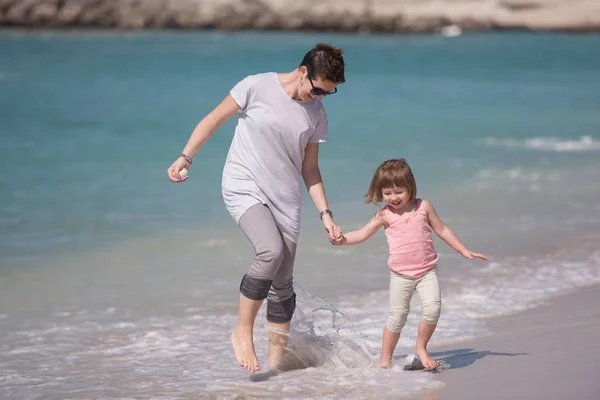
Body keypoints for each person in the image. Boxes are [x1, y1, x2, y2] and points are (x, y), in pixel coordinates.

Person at [167, 43, 346, 373]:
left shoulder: (316, 114)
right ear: (303, 72)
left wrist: (326, 214)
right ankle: (242, 331)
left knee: (283, 283)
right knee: (270, 251)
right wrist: (185, 157)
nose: (320, 97)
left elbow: (309, 169)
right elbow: (213, 119)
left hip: (285, 196)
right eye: (319, 89)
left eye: (329, 93)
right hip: (243, 184)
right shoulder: (256, 86)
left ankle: (275, 369)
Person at [333, 158, 487, 369]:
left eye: (399, 191)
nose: (393, 197)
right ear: (380, 192)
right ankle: (385, 360)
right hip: (400, 275)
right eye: (387, 193)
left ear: (410, 188)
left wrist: (463, 249)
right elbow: (361, 234)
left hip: (427, 271)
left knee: (433, 309)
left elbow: (442, 230)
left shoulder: (423, 207)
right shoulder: (384, 215)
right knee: (397, 318)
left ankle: (421, 347)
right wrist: (341, 240)